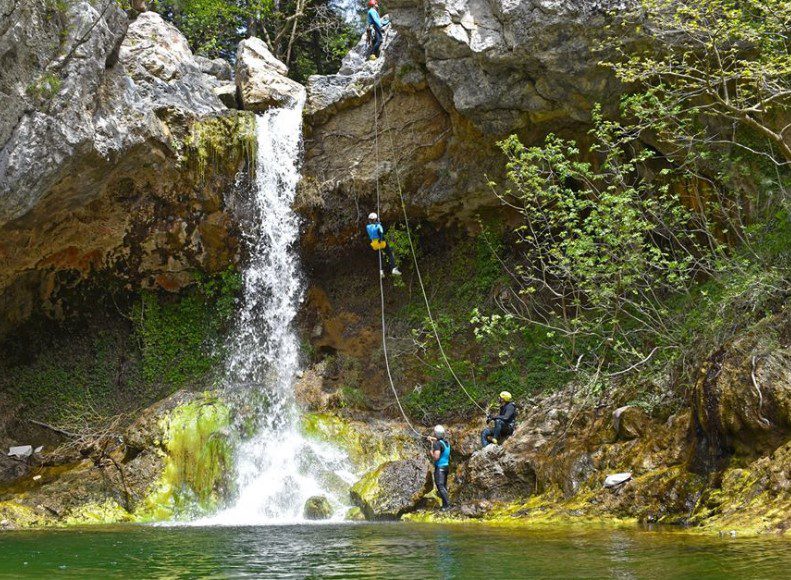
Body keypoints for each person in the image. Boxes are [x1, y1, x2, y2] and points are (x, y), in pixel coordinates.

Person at [366, 212, 401, 277]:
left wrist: (377, 223)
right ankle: (393, 269)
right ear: (375, 219)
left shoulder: (367, 227)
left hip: (374, 244)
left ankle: (381, 271)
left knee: (380, 256)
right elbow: (382, 232)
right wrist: (379, 225)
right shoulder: (378, 226)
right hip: (380, 242)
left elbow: (373, 228)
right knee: (390, 253)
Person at [428, 424, 451, 511]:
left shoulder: (437, 444)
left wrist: (431, 453)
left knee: (440, 486)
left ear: (436, 433)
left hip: (440, 468)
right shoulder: (446, 442)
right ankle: (445, 505)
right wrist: (432, 439)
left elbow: (436, 457)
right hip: (446, 467)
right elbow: (439, 440)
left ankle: (448, 505)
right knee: (443, 486)